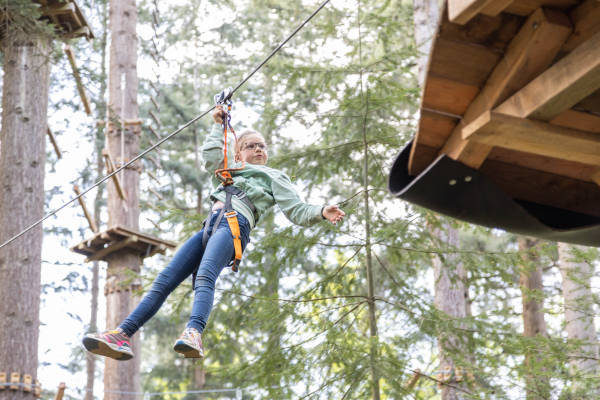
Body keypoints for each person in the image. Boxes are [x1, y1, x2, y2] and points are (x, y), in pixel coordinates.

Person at [82, 105, 346, 360]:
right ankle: (122, 334)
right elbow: (210, 157)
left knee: (205, 276)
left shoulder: (274, 177)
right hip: (211, 225)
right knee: (164, 280)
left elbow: (296, 209)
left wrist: (321, 211)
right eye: (251, 145)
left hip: (235, 224)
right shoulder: (229, 169)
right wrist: (218, 124)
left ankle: (194, 332)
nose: (258, 149)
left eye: (262, 146)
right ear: (239, 153)